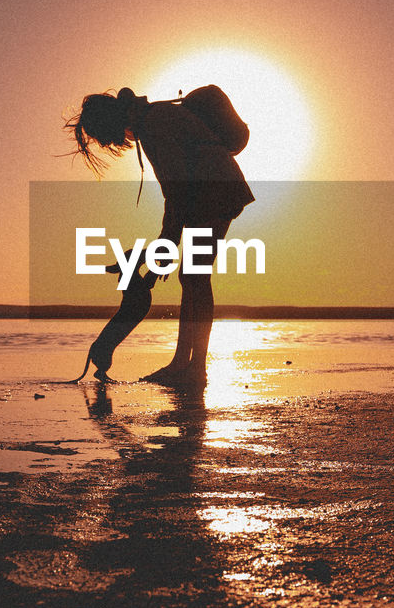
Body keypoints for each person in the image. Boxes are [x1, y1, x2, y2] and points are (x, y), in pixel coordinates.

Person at [66, 86, 254, 387]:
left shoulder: (154, 125)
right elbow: (177, 192)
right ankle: (184, 365)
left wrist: (163, 249)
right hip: (215, 188)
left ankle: (195, 370)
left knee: (195, 276)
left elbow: (176, 192)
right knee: (191, 276)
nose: (114, 141)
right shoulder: (152, 120)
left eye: (106, 134)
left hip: (214, 190)